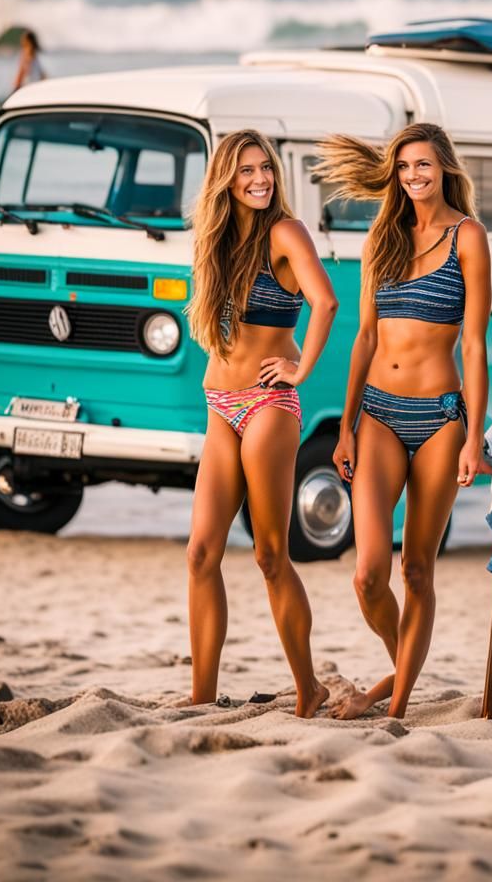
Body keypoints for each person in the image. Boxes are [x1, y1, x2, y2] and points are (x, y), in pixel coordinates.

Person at [314, 123, 491, 720]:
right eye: (406, 167)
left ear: (445, 168)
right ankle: (402, 663)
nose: (415, 176)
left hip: (440, 416)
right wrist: (344, 424)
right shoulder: (381, 237)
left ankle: (397, 704)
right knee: (368, 575)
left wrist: (475, 433)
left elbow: (473, 344)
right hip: (379, 415)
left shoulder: (468, 237)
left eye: (425, 165)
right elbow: (364, 336)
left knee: (417, 568)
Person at [184, 129, 338, 717]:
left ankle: (308, 687)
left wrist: (300, 370)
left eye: (265, 169)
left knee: (271, 554)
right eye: (246, 170)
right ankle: (200, 697)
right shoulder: (217, 242)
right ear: (226, 178)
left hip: (268, 405)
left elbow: (325, 303)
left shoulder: (285, 232)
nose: (259, 179)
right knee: (201, 553)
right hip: (220, 407)